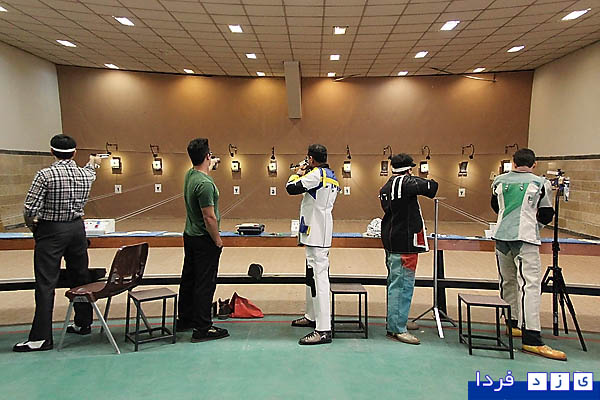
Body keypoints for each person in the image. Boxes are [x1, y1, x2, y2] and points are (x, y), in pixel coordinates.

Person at [13, 134, 101, 352]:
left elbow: (30, 209)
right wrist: (93, 162)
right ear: (74, 153)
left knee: (45, 284)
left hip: (51, 230)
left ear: (52, 151)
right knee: (80, 277)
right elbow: (91, 171)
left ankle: (41, 338)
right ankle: (83, 323)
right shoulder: (84, 174)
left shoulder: (45, 175)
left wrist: (34, 228)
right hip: (77, 230)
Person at [491, 148, 566, 361]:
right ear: (534, 164)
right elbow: (546, 213)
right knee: (530, 285)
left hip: (501, 237)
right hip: (525, 238)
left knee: (507, 281)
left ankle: (513, 322)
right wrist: (535, 227)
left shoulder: (498, 181)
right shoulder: (540, 183)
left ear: (513, 163)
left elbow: (495, 206)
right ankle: (532, 338)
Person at [379, 154, 437, 345]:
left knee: (395, 283)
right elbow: (432, 187)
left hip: (392, 239)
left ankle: (397, 320)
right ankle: (397, 328)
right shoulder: (406, 182)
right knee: (403, 285)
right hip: (405, 242)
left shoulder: (387, 186)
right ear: (408, 169)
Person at [286, 144, 339, 345]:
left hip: (317, 233)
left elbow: (291, 188)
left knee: (320, 280)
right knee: (312, 276)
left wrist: (298, 173)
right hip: (316, 230)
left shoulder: (316, 174)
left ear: (311, 159)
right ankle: (312, 316)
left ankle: (323, 329)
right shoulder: (329, 175)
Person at [177, 138, 229, 342]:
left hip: (190, 236)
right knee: (204, 284)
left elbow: (202, 167)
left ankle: (186, 319)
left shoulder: (190, 175)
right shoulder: (205, 184)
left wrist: (211, 162)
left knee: (189, 280)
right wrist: (217, 240)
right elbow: (209, 217)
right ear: (207, 156)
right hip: (204, 239)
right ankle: (202, 327)